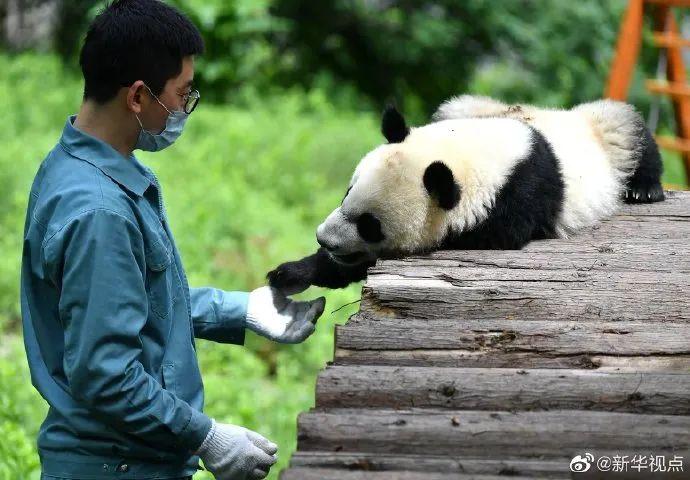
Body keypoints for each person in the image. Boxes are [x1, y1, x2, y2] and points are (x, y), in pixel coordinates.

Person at [19, 1, 326, 479]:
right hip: (119, 465)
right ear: (138, 97)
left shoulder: (80, 165)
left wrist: (239, 308)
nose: (185, 108)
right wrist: (206, 435)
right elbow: (106, 375)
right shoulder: (100, 210)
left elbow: (132, 303)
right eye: (182, 94)